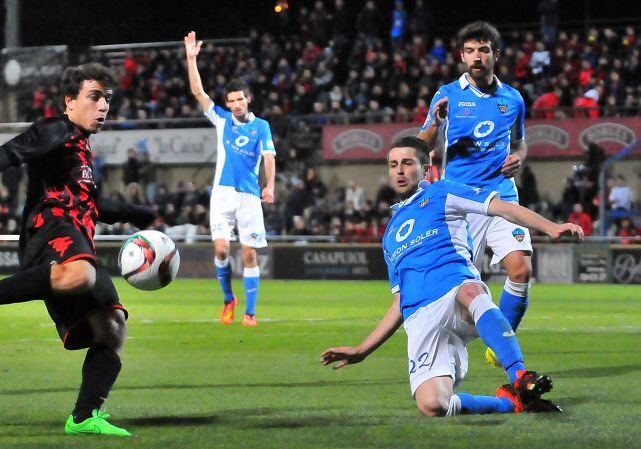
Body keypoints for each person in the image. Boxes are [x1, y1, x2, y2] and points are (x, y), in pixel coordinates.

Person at [0, 63, 156, 437]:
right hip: (48, 230)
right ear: (69, 101)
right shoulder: (56, 130)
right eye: (95, 97)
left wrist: (136, 213)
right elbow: (13, 151)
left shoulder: (82, 150)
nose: (103, 107)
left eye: (107, 99)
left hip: (77, 239)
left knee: (112, 326)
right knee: (82, 274)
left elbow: (94, 204)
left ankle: (83, 417)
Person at [321, 137, 583, 416]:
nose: (398, 171)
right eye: (393, 165)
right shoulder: (389, 235)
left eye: (407, 163)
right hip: (420, 319)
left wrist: (551, 227)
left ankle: (520, 376)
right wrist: (362, 350)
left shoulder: (442, 192)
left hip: (454, 291)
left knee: (471, 292)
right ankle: (512, 403)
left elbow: (503, 207)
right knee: (433, 405)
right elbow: (400, 301)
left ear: (425, 169)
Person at [416, 22, 533, 369]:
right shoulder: (447, 95)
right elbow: (419, 147)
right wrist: (436, 125)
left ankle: (502, 346)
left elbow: (520, 141)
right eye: (470, 51)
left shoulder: (513, 99)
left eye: (483, 50)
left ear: (496, 55)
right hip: (461, 204)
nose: (476, 57)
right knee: (460, 293)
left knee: (521, 269)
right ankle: (440, 356)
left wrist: (519, 158)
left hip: (501, 196)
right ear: (462, 56)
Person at [185, 31, 276, 326]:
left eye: (240, 100)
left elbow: (269, 157)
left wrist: (270, 185)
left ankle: (250, 313)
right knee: (222, 249)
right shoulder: (222, 119)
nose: (236, 104)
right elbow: (199, 93)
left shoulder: (261, 126)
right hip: (222, 193)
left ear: (248, 99)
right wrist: (191, 59)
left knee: (249, 254)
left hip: (249, 195)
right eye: (231, 101)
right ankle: (228, 299)